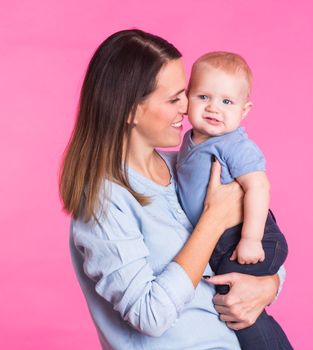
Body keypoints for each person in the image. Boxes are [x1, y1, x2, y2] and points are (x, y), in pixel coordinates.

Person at [60, 29, 286, 349]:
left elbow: (256, 247)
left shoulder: (185, 165)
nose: (187, 107)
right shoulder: (103, 200)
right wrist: (212, 221)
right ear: (129, 111)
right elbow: (149, 316)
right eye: (174, 98)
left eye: (186, 93)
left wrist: (271, 285)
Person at [176, 52, 292, 349]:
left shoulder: (233, 144)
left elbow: (258, 186)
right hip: (220, 242)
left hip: (253, 236)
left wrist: (251, 239)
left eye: (227, 102)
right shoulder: (188, 143)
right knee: (234, 306)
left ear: (244, 110)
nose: (214, 107)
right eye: (204, 97)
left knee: (236, 306)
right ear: (187, 98)